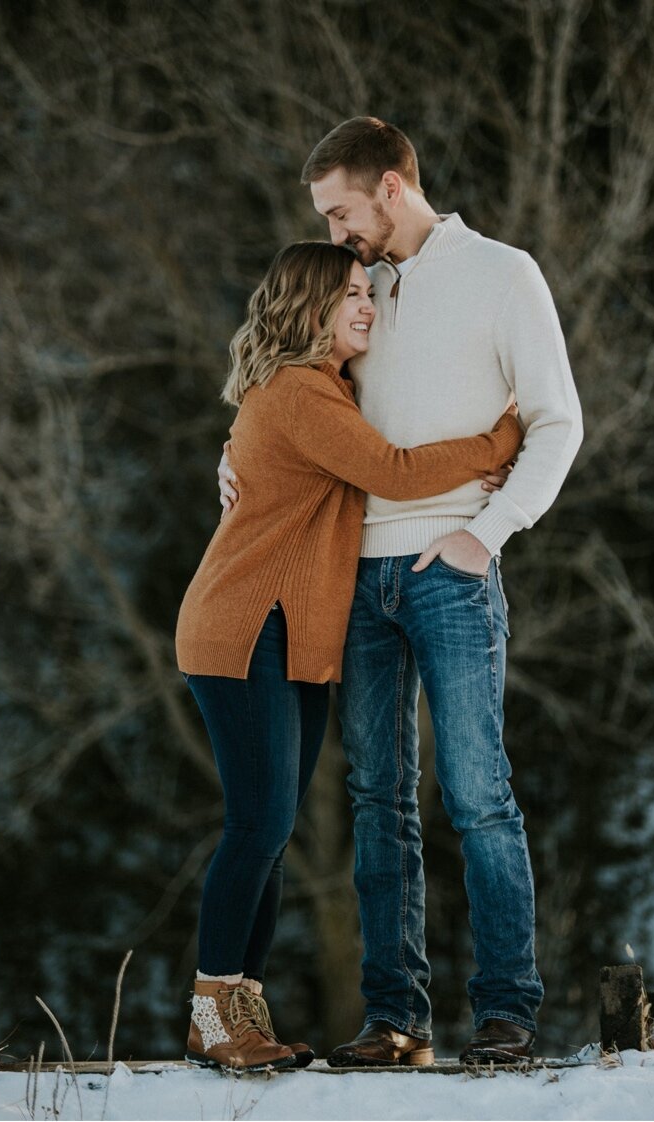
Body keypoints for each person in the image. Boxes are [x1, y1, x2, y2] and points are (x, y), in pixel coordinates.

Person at [219, 118, 583, 1065]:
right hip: (350, 574)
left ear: (389, 186)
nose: (337, 232)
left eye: (341, 210)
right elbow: (294, 387)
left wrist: (485, 535)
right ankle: (396, 1020)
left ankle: (505, 1013)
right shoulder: (355, 292)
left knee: (479, 794)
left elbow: (556, 423)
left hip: (453, 572)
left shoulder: (505, 274)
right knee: (378, 796)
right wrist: (230, 457)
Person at [175, 240, 522, 1072]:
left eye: (370, 291)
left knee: (272, 825)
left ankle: (240, 1010)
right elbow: (393, 470)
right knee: (255, 824)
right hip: (243, 627)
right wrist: (498, 440)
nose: (368, 305)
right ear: (311, 306)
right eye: (353, 295)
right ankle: (213, 1016)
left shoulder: (317, 389)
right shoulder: (298, 391)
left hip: (285, 637)